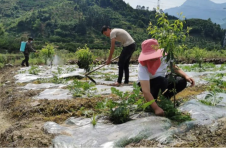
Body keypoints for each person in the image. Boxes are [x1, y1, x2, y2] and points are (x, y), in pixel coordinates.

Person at [137, 39, 195, 116]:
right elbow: (146, 91)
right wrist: (156, 108)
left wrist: (186, 76)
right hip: (149, 84)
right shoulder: (142, 66)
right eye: (150, 58)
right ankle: (153, 101)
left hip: (162, 80)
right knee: (160, 80)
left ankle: (166, 98)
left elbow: (173, 67)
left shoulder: (164, 56)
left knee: (181, 81)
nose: (153, 59)